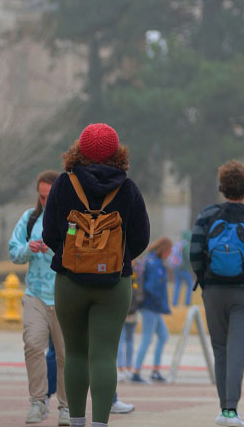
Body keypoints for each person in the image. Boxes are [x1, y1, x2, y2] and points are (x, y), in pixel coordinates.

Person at [42, 123, 150, 427]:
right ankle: (101, 422)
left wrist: (73, 254)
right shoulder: (128, 188)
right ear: (117, 152)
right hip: (114, 284)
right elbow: (141, 237)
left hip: (69, 282)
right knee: (104, 356)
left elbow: (50, 233)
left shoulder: (64, 184)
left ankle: (76, 420)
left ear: (80, 149)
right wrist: (117, 257)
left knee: (75, 353)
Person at [191, 160, 244, 427]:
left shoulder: (207, 214)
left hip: (213, 291)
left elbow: (194, 253)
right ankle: (230, 411)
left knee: (220, 350)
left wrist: (205, 282)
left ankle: (223, 409)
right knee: (237, 351)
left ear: (222, 186)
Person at [9, 170, 69, 425]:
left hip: (65, 296)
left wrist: (53, 248)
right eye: (41, 197)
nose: (45, 202)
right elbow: (14, 253)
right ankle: (38, 402)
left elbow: (77, 254)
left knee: (66, 354)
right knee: (33, 345)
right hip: (35, 296)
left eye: (49, 196)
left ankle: (67, 407)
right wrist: (28, 248)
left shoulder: (71, 219)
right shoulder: (30, 219)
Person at [130, 237, 172, 382]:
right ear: (164, 250)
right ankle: (136, 371)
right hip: (151, 307)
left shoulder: (150, 260)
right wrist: (160, 302)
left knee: (163, 336)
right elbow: (151, 286)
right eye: (169, 251)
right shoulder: (155, 264)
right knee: (146, 338)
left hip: (153, 307)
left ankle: (155, 370)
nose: (170, 254)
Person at [170, 230, 194, 306]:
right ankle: (187, 302)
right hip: (184, 269)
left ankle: (174, 302)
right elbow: (189, 257)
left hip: (176, 268)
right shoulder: (186, 245)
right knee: (190, 284)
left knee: (177, 284)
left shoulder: (179, 244)